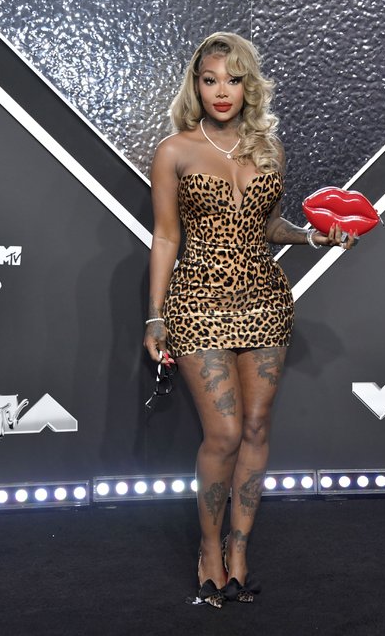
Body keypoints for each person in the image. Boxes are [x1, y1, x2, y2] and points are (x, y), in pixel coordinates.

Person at [144, 31, 355, 608]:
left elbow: (267, 226)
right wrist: (155, 316)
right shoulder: (175, 151)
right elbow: (166, 236)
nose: (221, 91)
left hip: (265, 300)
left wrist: (315, 236)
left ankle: (240, 550)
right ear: (195, 84)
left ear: (248, 86)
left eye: (233, 79)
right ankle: (208, 549)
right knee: (226, 433)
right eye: (209, 79)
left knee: (257, 431)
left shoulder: (269, 149)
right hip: (198, 303)